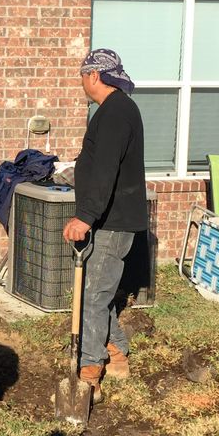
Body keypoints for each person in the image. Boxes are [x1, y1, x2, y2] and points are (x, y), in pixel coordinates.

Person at [62, 48, 147, 401]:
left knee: (93, 295)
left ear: (94, 75)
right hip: (110, 218)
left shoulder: (114, 113)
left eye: (83, 75)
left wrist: (85, 216)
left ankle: (89, 371)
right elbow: (99, 164)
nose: (81, 81)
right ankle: (116, 351)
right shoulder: (115, 110)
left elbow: (107, 168)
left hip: (111, 222)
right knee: (100, 290)